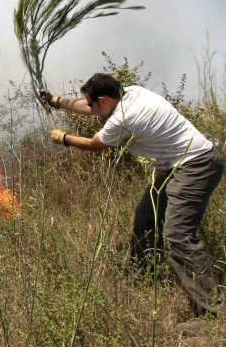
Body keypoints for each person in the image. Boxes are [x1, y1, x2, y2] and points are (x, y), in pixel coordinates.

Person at [40, 73, 223, 317]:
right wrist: (56, 101)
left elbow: (95, 145)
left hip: (194, 166)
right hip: (173, 166)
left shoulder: (124, 119)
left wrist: (64, 138)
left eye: (93, 104)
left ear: (104, 100)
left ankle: (211, 310)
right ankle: (142, 276)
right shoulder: (131, 92)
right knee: (146, 219)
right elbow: (89, 106)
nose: (90, 108)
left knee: (178, 236)